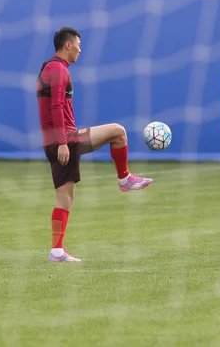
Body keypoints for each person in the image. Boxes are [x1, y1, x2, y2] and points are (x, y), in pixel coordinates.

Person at [37, 27, 153, 262]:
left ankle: (56, 251)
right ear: (68, 45)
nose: (81, 49)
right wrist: (62, 143)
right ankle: (124, 179)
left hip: (53, 141)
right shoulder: (58, 70)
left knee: (65, 198)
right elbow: (56, 107)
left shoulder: (50, 68)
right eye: (78, 44)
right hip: (64, 139)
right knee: (118, 132)